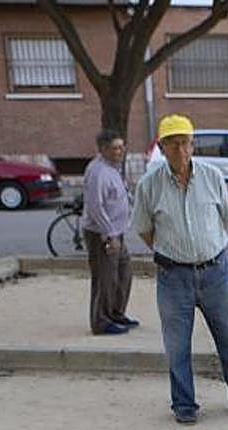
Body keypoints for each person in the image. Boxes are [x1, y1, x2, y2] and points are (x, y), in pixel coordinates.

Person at [130, 114, 228, 424]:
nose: (179, 150)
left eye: (184, 143)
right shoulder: (149, 185)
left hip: (216, 271)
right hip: (173, 277)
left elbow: (224, 218)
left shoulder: (212, 176)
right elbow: (144, 228)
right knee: (177, 343)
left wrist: (205, 249)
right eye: (172, 144)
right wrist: (173, 253)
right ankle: (184, 404)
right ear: (161, 148)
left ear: (193, 145)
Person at [82, 129, 137, 335]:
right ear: (103, 149)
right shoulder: (98, 172)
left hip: (117, 232)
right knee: (105, 277)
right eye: (115, 148)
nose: (120, 151)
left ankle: (115, 312)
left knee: (123, 273)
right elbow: (96, 207)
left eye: (122, 146)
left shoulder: (112, 167)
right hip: (102, 234)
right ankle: (101, 321)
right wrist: (110, 235)